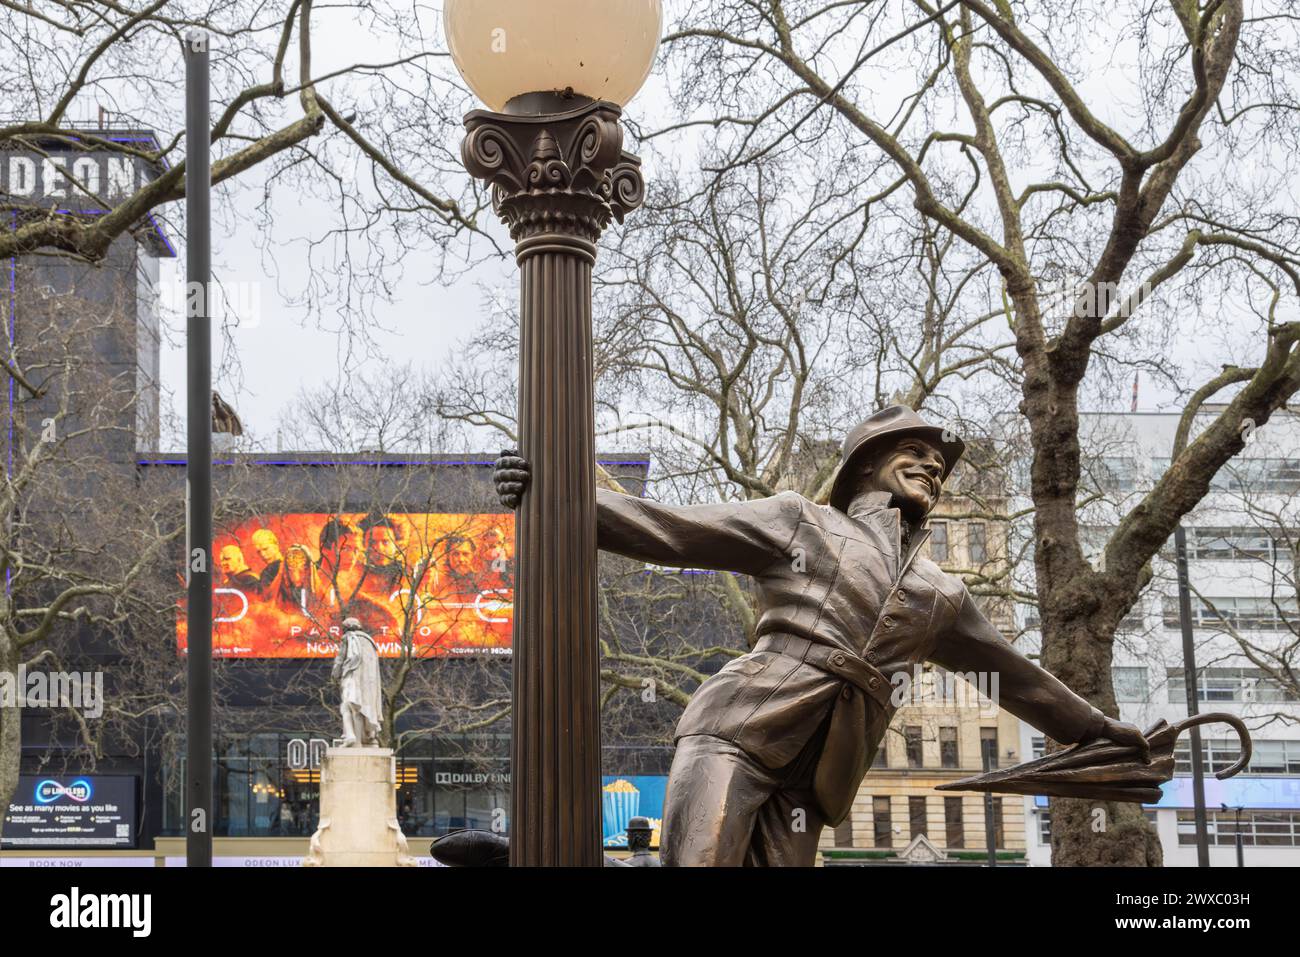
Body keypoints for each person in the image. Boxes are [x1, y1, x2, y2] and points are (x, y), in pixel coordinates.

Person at [493, 405, 1150, 867]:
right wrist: (548, 491)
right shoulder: (798, 520)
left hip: (815, 776)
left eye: (938, 463)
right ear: (865, 467)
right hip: (739, 729)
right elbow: (666, 527)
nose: (931, 465)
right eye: (914, 453)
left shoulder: (941, 594)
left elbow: (1019, 678)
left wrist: (1101, 729)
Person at [331, 617, 383, 747]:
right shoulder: (370, 642)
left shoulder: (349, 637)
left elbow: (340, 658)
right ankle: (365, 738)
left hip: (352, 677)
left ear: (347, 628)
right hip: (369, 684)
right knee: (361, 708)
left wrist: (335, 674)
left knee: (347, 706)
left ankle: (351, 737)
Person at [251, 529, 284, 594]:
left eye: (265, 549)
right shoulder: (266, 572)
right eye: (259, 552)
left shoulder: (290, 566)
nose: (262, 554)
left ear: (276, 545)